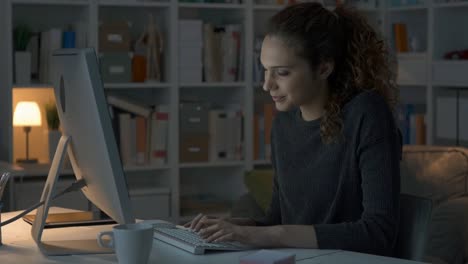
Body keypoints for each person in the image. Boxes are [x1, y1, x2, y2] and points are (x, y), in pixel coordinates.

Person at [186, 2, 401, 256]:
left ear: (323, 68)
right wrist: (232, 228)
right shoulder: (283, 125)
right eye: (266, 71)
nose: (267, 85)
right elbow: (278, 220)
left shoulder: (367, 114)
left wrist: (262, 234)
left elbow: (378, 233)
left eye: (282, 73)